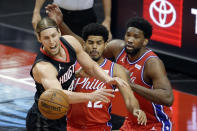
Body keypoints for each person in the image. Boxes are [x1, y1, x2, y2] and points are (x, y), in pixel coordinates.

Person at [46, 5, 174, 130]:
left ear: (145, 41)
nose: (129, 40)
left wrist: (128, 85)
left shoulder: (152, 63)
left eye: (136, 37)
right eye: (128, 35)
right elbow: (89, 48)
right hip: (132, 121)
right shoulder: (117, 48)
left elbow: (167, 98)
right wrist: (60, 24)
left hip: (155, 122)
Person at [26, 17, 127, 131]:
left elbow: (91, 66)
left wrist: (107, 78)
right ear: (39, 38)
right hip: (43, 120)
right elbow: (60, 95)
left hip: (62, 116)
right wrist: (91, 96)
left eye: (53, 35)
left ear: (59, 32)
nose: (52, 41)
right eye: (46, 38)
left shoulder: (70, 42)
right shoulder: (43, 67)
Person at [66, 23, 147, 131]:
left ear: (105, 45)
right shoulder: (72, 65)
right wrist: (75, 75)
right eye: (90, 43)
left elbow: (129, 97)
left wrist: (135, 109)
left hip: (100, 127)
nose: (94, 47)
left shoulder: (116, 69)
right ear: (84, 44)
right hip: (72, 126)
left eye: (99, 43)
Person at [32, 0, 112, 39]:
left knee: (87, 50)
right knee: (56, 47)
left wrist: (107, 19)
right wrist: (36, 11)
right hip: (59, 13)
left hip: (87, 15)